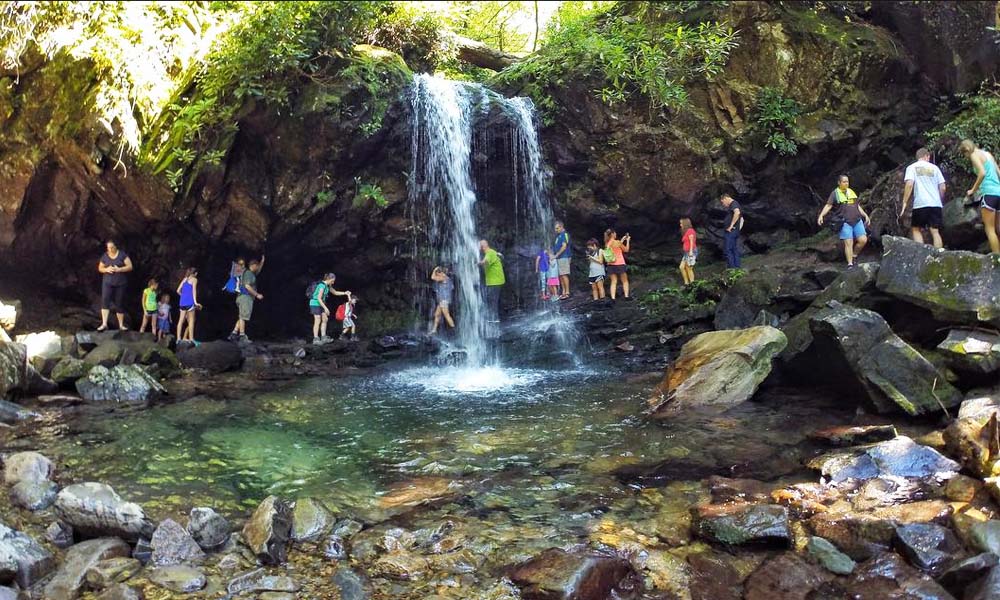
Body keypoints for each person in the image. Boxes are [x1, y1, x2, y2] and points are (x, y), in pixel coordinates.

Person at [817, 175, 871, 268]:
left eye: (847, 182)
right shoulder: (835, 194)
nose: (846, 183)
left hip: (857, 220)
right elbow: (828, 205)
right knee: (848, 243)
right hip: (845, 222)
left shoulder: (851, 192)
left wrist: (865, 215)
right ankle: (850, 264)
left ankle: (854, 255)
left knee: (863, 240)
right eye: (844, 182)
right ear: (839, 183)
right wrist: (821, 215)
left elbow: (857, 206)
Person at [900, 147, 947, 248]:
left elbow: (909, 184)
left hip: (920, 203)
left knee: (916, 229)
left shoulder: (912, 167)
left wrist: (904, 202)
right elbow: (943, 187)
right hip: (935, 203)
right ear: (927, 156)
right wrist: (940, 199)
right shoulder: (935, 168)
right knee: (935, 231)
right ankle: (939, 255)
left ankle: (920, 254)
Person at [960, 139, 1000, 253]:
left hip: (988, 193)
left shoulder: (973, 155)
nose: (967, 157)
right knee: (998, 227)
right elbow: (998, 173)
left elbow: (982, 172)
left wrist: (973, 190)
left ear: (966, 151)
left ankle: (997, 258)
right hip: (998, 192)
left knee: (990, 229)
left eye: (965, 155)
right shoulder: (988, 154)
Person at [97, 240, 133, 331]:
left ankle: (121, 325)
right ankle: (104, 324)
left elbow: (130, 266)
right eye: (108, 247)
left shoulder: (122, 255)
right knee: (105, 300)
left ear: (115, 246)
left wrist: (119, 269)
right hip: (107, 282)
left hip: (120, 283)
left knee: (119, 302)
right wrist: (106, 269)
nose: (110, 249)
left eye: (112, 247)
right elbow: (100, 268)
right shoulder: (105, 256)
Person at [230, 255, 264, 343]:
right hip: (245, 297)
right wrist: (257, 295)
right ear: (253, 265)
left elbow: (259, 270)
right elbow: (247, 286)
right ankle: (242, 336)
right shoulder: (249, 274)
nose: (258, 268)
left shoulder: (249, 273)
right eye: (257, 266)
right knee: (243, 317)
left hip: (241, 297)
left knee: (242, 316)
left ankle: (233, 334)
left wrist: (262, 261)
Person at [310, 272, 350, 345]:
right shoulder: (322, 286)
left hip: (321, 303)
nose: (333, 282)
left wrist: (345, 293)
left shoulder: (328, 286)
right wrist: (326, 308)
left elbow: (335, 292)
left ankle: (323, 337)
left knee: (325, 319)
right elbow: (319, 298)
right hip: (315, 303)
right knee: (317, 320)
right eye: (332, 280)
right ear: (328, 279)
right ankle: (315, 339)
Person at [478, 240, 505, 324]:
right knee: (492, 299)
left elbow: (486, 260)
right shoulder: (493, 252)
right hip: (495, 281)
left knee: (492, 300)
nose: (478, 248)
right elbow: (500, 257)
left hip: (495, 281)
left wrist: (477, 263)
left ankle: (494, 318)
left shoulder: (490, 253)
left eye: (479, 246)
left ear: (483, 247)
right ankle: (493, 317)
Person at [175, 267, 203, 343]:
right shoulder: (194, 280)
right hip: (190, 303)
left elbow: (178, 291)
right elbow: (194, 291)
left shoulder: (184, 279)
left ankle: (178, 339)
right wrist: (195, 302)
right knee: (191, 321)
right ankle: (191, 339)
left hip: (182, 303)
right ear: (195, 273)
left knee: (180, 321)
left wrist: (183, 296)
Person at [604, 229, 632, 300]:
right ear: (612, 234)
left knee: (613, 281)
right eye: (615, 233)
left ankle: (613, 298)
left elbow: (616, 247)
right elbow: (626, 250)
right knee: (625, 281)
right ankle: (626, 296)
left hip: (610, 264)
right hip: (620, 263)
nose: (616, 234)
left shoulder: (607, 243)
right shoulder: (617, 242)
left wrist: (622, 239)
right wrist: (627, 240)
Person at [429, 267, 455, 335]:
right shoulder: (446, 278)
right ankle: (434, 330)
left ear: (440, 273)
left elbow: (432, 277)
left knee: (446, 315)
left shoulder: (443, 277)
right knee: (437, 315)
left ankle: (453, 329)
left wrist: (434, 269)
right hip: (442, 300)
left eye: (437, 273)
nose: (436, 274)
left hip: (444, 300)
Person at [720, 194, 743, 269]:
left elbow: (737, 213)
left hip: (731, 231)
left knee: (728, 249)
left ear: (726, 198)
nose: (723, 205)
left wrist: (731, 225)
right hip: (734, 231)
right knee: (733, 249)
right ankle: (737, 267)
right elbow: (742, 219)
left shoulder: (734, 203)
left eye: (723, 202)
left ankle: (732, 268)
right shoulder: (734, 204)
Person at [552, 221, 571, 299]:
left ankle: (567, 292)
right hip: (559, 258)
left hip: (564, 257)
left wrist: (556, 255)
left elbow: (564, 246)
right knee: (561, 275)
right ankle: (563, 292)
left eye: (557, 228)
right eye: (555, 229)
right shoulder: (558, 236)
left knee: (564, 274)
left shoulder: (564, 234)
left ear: (561, 227)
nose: (556, 230)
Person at [679, 218, 698, 285]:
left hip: (691, 251)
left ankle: (692, 283)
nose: (680, 225)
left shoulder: (690, 230)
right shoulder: (686, 231)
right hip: (686, 253)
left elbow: (691, 241)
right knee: (681, 267)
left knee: (689, 268)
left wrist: (690, 251)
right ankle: (686, 283)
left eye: (681, 223)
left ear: (685, 223)